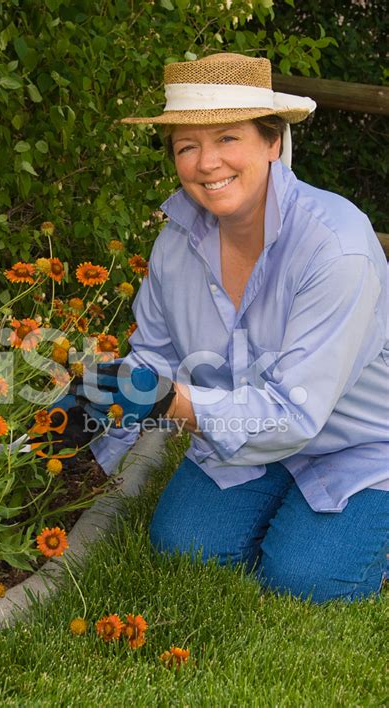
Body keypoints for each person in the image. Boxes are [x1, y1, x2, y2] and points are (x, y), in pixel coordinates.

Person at [65, 53, 389, 603]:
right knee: (183, 545)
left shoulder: (336, 247)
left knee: (304, 580)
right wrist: (91, 422)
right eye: (186, 146)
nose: (207, 163)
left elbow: (293, 413)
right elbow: (156, 359)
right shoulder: (175, 244)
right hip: (251, 437)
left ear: (272, 142)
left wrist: (169, 403)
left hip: (362, 446)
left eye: (227, 139)